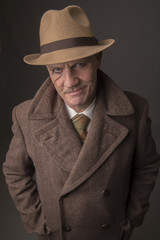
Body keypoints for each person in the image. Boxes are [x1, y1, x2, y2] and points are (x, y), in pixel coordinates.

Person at [3, 5, 160, 240]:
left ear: (98, 58)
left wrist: (130, 219)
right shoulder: (26, 118)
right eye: (57, 69)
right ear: (48, 70)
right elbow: (15, 172)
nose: (70, 81)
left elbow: (146, 167)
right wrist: (41, 224)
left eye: (79, 64)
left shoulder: (135, 111)